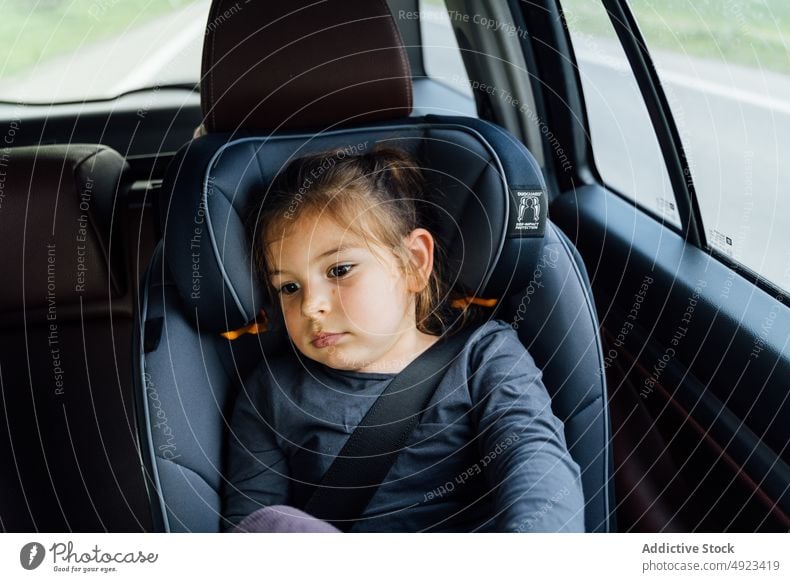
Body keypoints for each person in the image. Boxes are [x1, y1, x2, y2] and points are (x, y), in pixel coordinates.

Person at [222, 146, 585, 532]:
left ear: (414, 263)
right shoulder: (270, 394)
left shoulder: (484, 359)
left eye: (340, 269)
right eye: (289, 287)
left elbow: (535, 466)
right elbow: (249, 522)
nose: (311, 306)